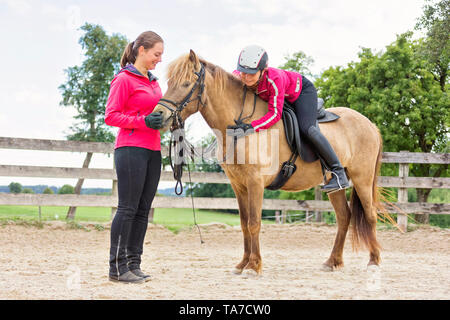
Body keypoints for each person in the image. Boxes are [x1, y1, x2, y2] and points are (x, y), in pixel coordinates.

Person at [230, 45, 349, 193]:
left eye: (251, 74)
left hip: (301, 93)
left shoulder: (274, 79)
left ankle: (338, 172)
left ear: (263, 71)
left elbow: (275, 115)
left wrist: (251, 127)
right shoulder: (238, 76)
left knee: (307, 128)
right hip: (281, 96)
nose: (246, 77)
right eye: (243, 72)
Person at [104, 31, 165, 284]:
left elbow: (156, 114)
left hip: (153, 149)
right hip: (130, 148)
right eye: (156, 54)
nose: (159, 59)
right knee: (127, 208)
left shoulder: (153, 81)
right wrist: (143, 121)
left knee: (142, 210)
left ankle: (133, 264)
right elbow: (111, 116)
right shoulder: (124, 79)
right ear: (141, 50)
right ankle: (117, 267)